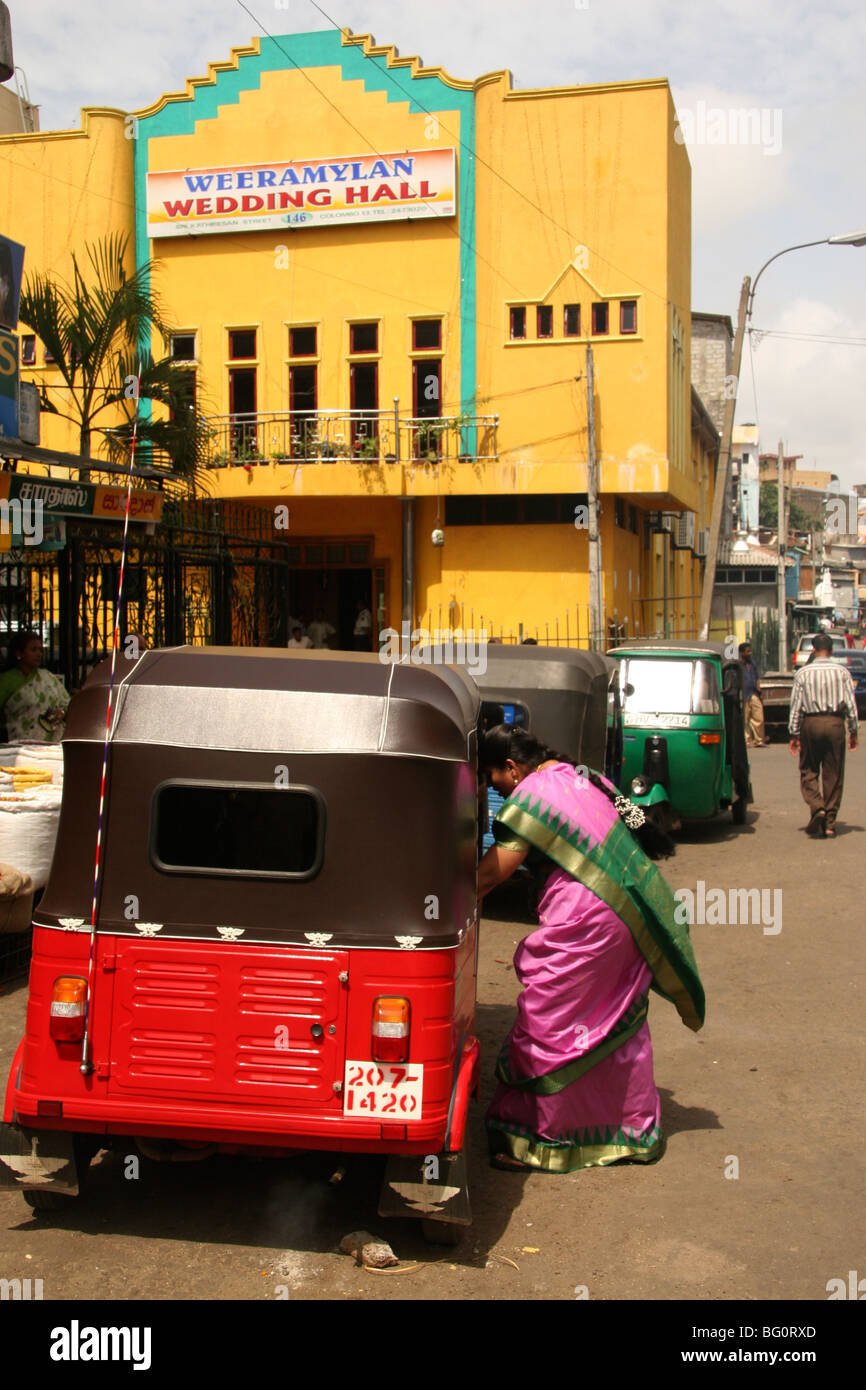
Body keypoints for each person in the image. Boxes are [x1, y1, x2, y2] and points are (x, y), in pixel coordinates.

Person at [477, 726, 704, 1173]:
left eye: (492, 777)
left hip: (587, 923)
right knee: (615, 1019)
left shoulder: (532, 795)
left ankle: (541, 1140)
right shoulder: (583, 776)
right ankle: (630, 1131)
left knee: (549, 1022)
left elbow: (491, 874)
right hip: (627, 917)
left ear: (510, 766)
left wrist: (440, 896)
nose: (492, 788)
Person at [788, 632, 858, 838]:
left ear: (813, 649)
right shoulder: (842, 672)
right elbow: (851, 704)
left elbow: (796, 706)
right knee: (833, 773)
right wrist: (853, 730)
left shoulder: (803, 673)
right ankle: (829, 823)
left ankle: (817, 807)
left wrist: (794, 733)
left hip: (811, 723)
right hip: (835, 723)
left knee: (808, 769)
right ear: (832, 650)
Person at [0, 631, 70, 743]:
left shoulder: (47, 677)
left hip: (53, 744)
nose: (39, 654)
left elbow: (68, 704)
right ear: (19, 653)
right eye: (33, 650)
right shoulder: (7, 680)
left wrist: (61, 713)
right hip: (20, 745)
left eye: (40, 650)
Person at [739, 641, 769, 747]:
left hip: (753, 693)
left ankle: (759, 740)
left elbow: (757, 678)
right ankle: (746, 740)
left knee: (758, 716)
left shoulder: (752, 663)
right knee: (745, 718)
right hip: (743, 694)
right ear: (742, 653)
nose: (750, 653)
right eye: (747, 651)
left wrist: (759, 691)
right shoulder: (738, 664)